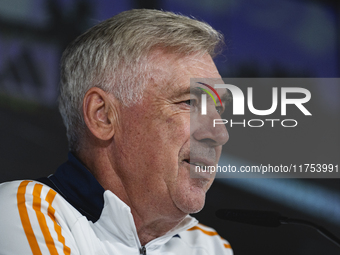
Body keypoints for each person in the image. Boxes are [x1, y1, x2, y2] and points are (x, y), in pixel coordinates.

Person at [0, 9, 232, 254]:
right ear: (103, 116)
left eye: (219, 109)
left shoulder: (211, 246)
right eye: (189, 103)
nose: (220, 134)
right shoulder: (24, 211)